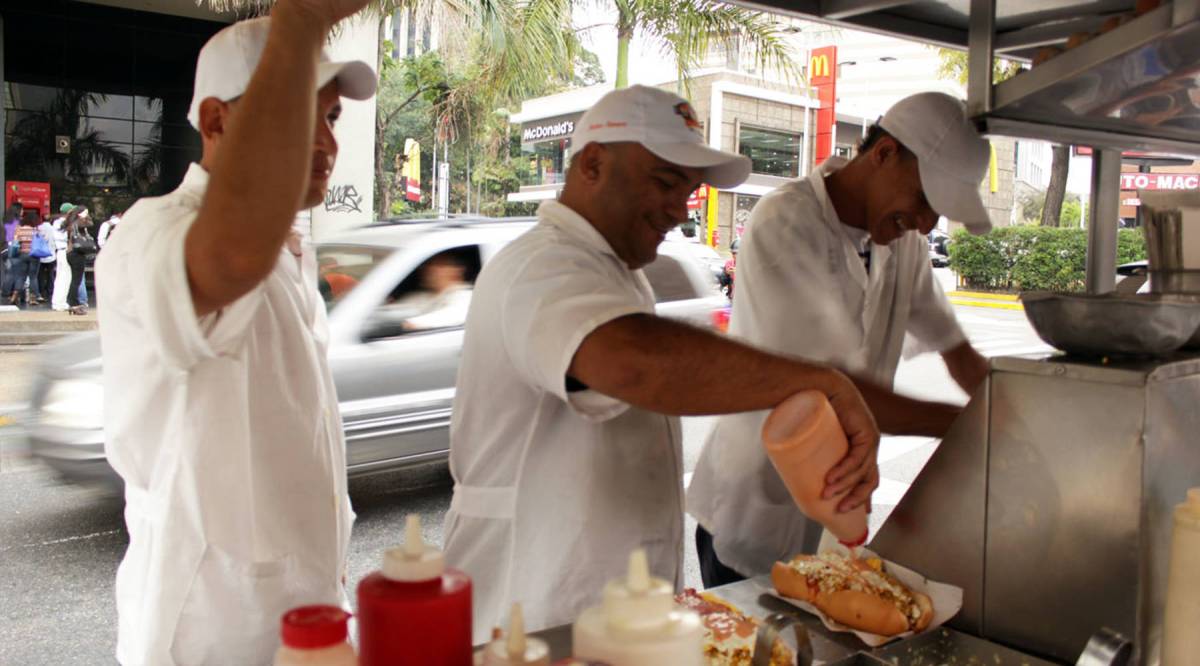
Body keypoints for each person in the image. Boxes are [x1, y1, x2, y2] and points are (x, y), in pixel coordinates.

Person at [443, 85, 959, 641]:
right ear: (592, 164)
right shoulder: (542, 266)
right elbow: (635, 364)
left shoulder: (616, 276)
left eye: (688, 191)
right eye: (665, 182)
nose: (678, 208)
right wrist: (823, 383)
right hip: (526, 621)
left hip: (602, 624)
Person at [94, 3, 376, 663]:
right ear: (217, 120)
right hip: (211, 628)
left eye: (330, 116)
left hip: (302, 619)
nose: (325, 141)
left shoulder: (285, 246)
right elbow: (226, 260)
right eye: (296, 112)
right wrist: (301, 22)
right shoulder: (157, 232)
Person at [687, 92, 993, 588]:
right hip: (754, 507)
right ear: (885, 153)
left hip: (833, 513)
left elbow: (957, 352)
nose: (926, 224)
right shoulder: (787, 222)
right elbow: (835, 392)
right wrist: (975, 430)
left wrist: (1013, 413)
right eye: (923, 200)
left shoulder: (902, 243)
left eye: (939, 213)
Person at [65, 212, 95, 315]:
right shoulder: (77, 224)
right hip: (76, 253)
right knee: (76, 280)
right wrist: (85, 216)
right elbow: (91, 223)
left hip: (71, 253)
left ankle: (73, 303)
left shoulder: (70, 224)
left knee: (75, 280)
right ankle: (73, 304)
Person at [7, 211, 39, 307]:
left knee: (21, 276)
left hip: (22, 254)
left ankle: (15, 296)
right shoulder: (35, 230)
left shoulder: (19, 229)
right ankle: (33, 298)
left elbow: (15, 241)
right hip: (34, 255)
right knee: (33, 277)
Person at [51, 204, 75, 311]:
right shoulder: (64, 223)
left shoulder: (56, 222)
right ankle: (60, 303)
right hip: (65, 251)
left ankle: (58, 302)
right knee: (65, 278)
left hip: (59, 251)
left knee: (61, 278)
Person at [36, 214, 57, 303]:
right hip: (51, 255)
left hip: (40, 255)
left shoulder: (38, 228)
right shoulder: (53, 229)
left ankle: (41, 291)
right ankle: (50, 291)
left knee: (40, 275)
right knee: (50, 274)